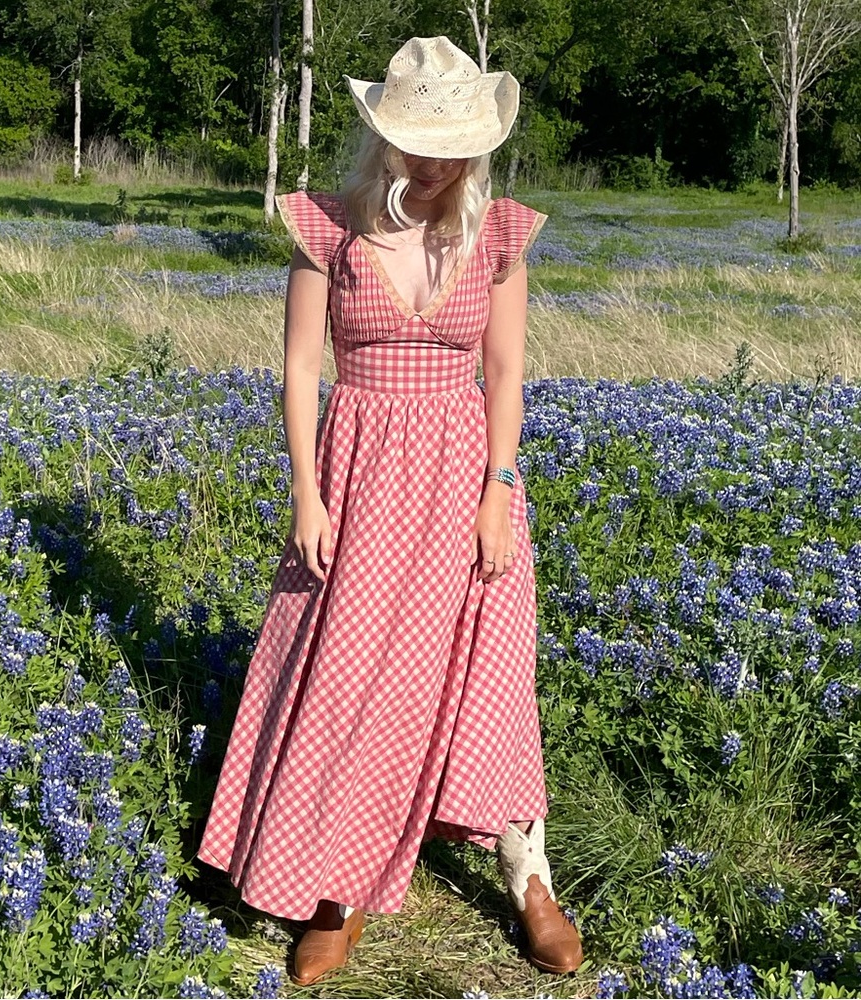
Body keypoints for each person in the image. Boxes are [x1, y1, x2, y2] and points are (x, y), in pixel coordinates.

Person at [196, 35, 583, 986]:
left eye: (455, 145)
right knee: (353, 684)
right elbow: (297, 369)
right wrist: (306, 491)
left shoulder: (498, 236)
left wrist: (498, 490)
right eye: (420, 141)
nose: (439, 161)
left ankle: (526, 873)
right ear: (386, 140)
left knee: (486, 684)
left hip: (464, 479)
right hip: (361, 477)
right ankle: (337, 890)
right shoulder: (328, 228)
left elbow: (505, 374)